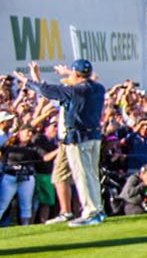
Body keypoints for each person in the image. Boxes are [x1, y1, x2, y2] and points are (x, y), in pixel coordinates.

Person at [20, 58, 106, 226]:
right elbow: (87, 79)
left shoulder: (75, 91)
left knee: (82, 176)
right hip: (94, 136)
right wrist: (68, 73)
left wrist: (28, 82)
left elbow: (47, 91)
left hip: (78, 138)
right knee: (91, 175)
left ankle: (90, 212)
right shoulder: (98, 88)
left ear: (75, 74)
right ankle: (97, 209)